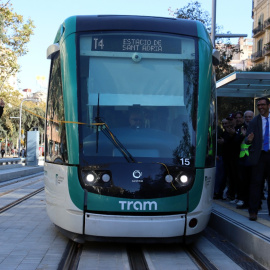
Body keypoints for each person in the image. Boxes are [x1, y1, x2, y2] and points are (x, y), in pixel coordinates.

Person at [245, 97, 270, 221]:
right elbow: (246, 140)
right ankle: (253, 211)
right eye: (259, 105)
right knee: (256, 184)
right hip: (259, 157)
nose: (260, 107)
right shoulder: (254, 121)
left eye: (263, 105)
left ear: (268, 106)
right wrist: (248, 140)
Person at [236, 110, 254, 209]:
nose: (248, 119)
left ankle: (255, 203)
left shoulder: (256, 127)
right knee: (243, 182)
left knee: (253, 182)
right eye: (246, 117)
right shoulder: (241, 128)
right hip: (242, 159)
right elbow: (236, 141)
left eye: (250, 117)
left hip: (252, 159)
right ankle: (245, 201)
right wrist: (242, 135)